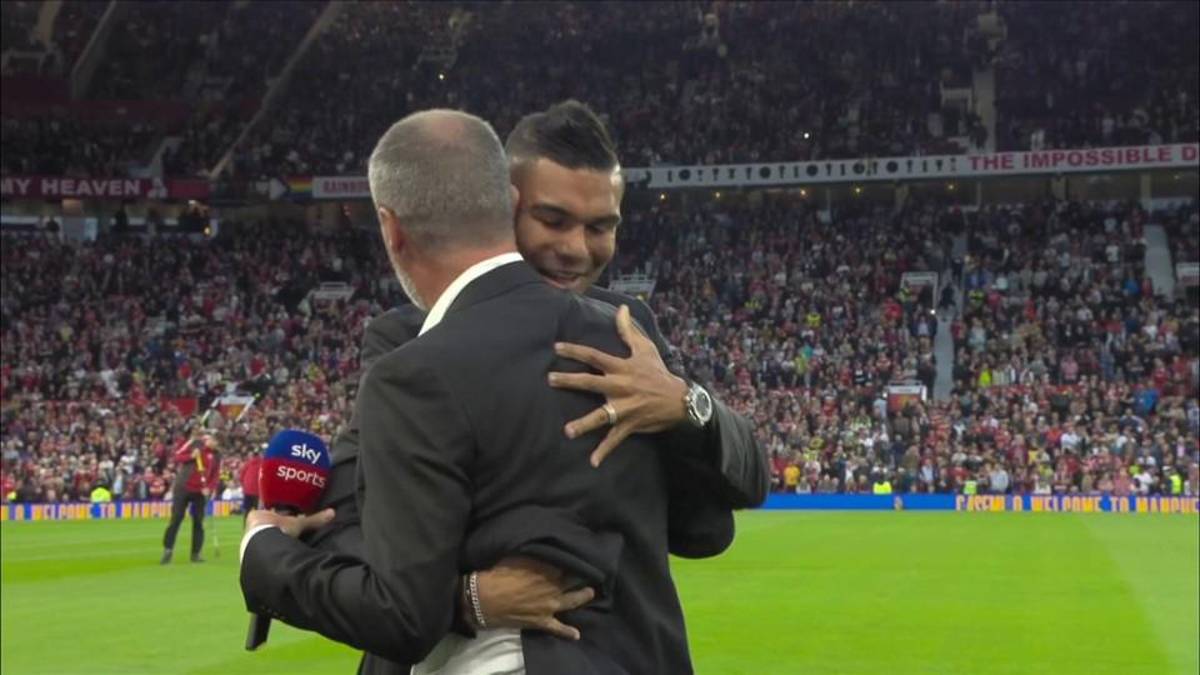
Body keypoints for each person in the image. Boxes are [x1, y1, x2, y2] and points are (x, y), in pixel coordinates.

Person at [291, 101, 767, 674]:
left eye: (601, 227)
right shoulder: (412, 342)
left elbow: (705, 527)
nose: (576, 248)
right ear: (504, 205)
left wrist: (686, 406)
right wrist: (466, 600)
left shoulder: (625, 331)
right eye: (554, 219)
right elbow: (351, 527)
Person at [161, 432, 219, 564]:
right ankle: (168, 550)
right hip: (183, 488)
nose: (214, 444)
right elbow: (177, 457)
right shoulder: (194, 444)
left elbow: (215, 475)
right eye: (213, 440)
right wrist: (190, 456)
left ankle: (196, 553)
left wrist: (209, 488)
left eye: (216, 443)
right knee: (176, 518)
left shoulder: (216, 455)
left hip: (200, 491)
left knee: (199, 521)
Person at [239, 450, 262, 523]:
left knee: (247, 511)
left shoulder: (248, 463)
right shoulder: (263, 463)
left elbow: (241, 476)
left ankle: (245, 527)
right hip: (257, 491)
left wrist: (244, 486)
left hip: (247, 491)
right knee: (258, 512)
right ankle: (256, 528)